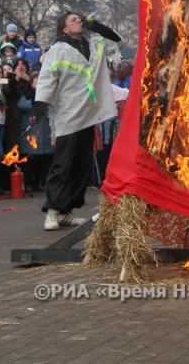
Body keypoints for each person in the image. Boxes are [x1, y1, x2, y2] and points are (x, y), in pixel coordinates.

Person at [34, 12, 120, 230]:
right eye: (72, 20)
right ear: (64, 29)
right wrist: (41, 104)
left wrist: (96, 24)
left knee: (82, 163)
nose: (78, 21)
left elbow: (116, 40)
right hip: (67, 113)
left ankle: (67, 210)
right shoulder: (58, 49)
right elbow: (47, 77)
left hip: (88, 114)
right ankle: (53, 210)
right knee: (63, 162)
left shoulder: (94, 43)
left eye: (79, 19)